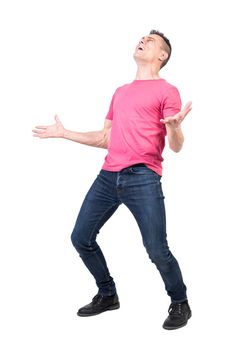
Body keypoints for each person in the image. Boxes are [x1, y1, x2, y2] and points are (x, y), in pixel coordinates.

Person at [33, 29, 192, 330]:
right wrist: (65, 134)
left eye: (152, 40)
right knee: (81, 237)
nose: (143, 40)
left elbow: (177, 145)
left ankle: (180, 301)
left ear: (162, 55)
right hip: (108, 176)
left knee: (157, 249)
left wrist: (174, 127)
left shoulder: (167, 91)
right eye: (142, 37)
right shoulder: (121, 92)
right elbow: (106, 137)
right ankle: (107, 294)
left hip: (143, 177)